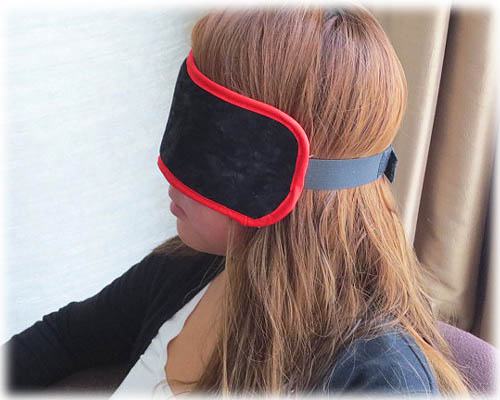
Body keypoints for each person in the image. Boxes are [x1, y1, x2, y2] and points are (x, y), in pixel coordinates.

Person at [4, 4, 472, 398]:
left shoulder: (379, 380)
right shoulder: (187, 266)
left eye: (211, 144)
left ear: (279, 172)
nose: (170, 172)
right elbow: (60, 338)